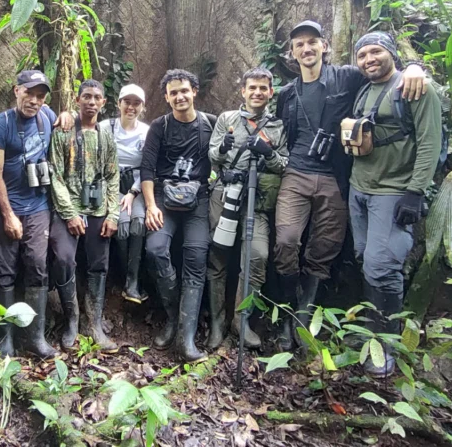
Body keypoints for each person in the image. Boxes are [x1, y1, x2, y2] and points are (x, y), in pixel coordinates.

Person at [273, 20, 427, 351]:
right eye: (299, 44)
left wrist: (415, 67)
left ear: (324, 46)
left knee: (325, 247)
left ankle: (304, 313)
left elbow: (384, 72)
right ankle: (287, 312)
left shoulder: (347, 77)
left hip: (336, 177)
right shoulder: (286, 94)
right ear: (292, 53)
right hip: (296, 174)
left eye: (312, 42)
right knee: (286, 241)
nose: (306, 48)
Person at [348, 31, 442, 376]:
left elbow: (430, 141)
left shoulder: (414, 87)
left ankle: (385, 345)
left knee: (382, 266)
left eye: (376, 52)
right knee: (365, 259)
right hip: (359, 187)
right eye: (362, 55)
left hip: (393, 191)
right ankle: (369, 333)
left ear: (391, 53)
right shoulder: (364, 89)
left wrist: (415, 191)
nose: (369, 60)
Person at [0, 69, 70, 358]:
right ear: (16, 90)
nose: (33, 100)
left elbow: (65, 123)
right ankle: (4, 339)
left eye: (40, 96)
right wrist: (8, 215)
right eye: (28, 93)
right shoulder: (0, 123)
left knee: (37, 264)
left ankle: (36, 337)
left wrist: (68, 114)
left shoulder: (46, 116)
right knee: (4, 270)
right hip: (9, 206)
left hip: (38, 205)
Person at [204, 67, 288, 350]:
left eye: (263, 88)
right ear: (243, 91)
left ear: (271, 92)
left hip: (258, 201)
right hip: (225, 195)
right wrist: (222, 150)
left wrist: (269, 154)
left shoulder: (278, 126)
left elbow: (285, 165)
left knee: (257, 256)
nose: (257, 93)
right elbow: (212, 155)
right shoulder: (227, 119)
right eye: (252, 87)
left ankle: (241, 319)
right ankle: (217, 323)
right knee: (217, 257)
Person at [140, 69, 215, 363]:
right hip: (164, 197)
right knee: (156, 249)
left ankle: (186, 338)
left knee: (196, 258)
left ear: (194, 91)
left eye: (184, 90)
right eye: (173, 93)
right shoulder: (159, 127)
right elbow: (147, 169)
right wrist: (151, 206)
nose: (180, 96)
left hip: (199, 199)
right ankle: (172, 318)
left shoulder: (211, 124)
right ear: (166, 97)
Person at [47, 80, 121, 352]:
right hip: (67, 208)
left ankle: (94, 323)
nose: (91, 102)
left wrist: (113, 215)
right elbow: (55, 175)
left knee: (99, 264)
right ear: (77, 100)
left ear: (103, 103)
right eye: (86, 96)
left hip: (98, 208)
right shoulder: (62, 132)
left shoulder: (106, 136)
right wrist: (69, 214)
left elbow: (112, 176)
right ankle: (72, 321)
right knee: (64, 259)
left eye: (96, 97)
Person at [100, 85, 151, 304]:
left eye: (136, 103)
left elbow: (148, 167)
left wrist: (132, 192)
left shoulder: (147, 132)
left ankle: (133, 280)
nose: (131, 107)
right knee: (121, 227)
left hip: (136, 187)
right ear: (119, 103)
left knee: (138, 224)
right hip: (111, 187)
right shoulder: (106, 127)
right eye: (127, 102)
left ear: (142, 106)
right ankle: (121, 275)